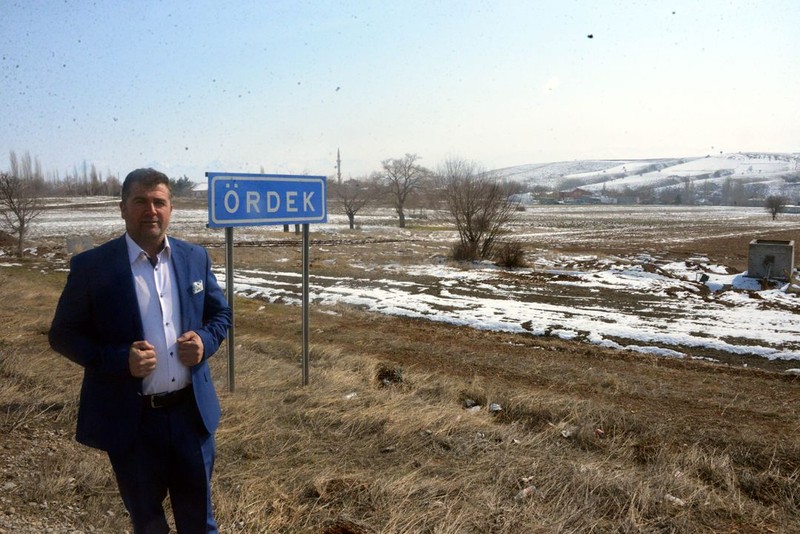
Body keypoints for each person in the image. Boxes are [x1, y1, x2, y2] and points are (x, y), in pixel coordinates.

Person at [49, 168, 232, 533]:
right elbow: (63, 334)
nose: (151, 210)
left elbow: (221, 314)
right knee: (148, 524)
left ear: (170, 208)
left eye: (159, 202)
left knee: (200, 522)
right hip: (132, 422)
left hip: (190, 417)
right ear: (122, 208)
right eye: (140, 201)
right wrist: (120, 360)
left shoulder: (194, 257)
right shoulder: (92, 267)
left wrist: (204, 341)